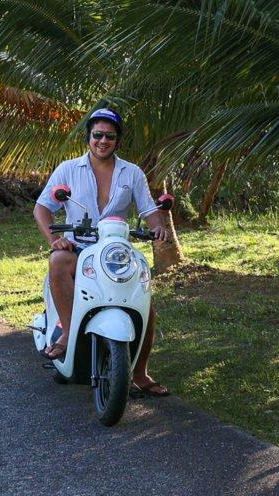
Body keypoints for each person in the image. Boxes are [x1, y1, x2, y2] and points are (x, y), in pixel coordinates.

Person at [33, 107, 174, 397]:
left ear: (117, 140)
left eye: (109, 136)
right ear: (89, 137)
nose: (103, 141)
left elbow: (149, 210)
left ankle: (140, 373)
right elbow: (43, 207)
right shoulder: (68, 169)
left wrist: (158, 227)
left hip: (115, 253)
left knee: (145, 304)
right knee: (58, 261)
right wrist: (54, 239)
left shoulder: (131, 172)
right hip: (79, 247)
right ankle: (69, 336)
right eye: (97, 135)